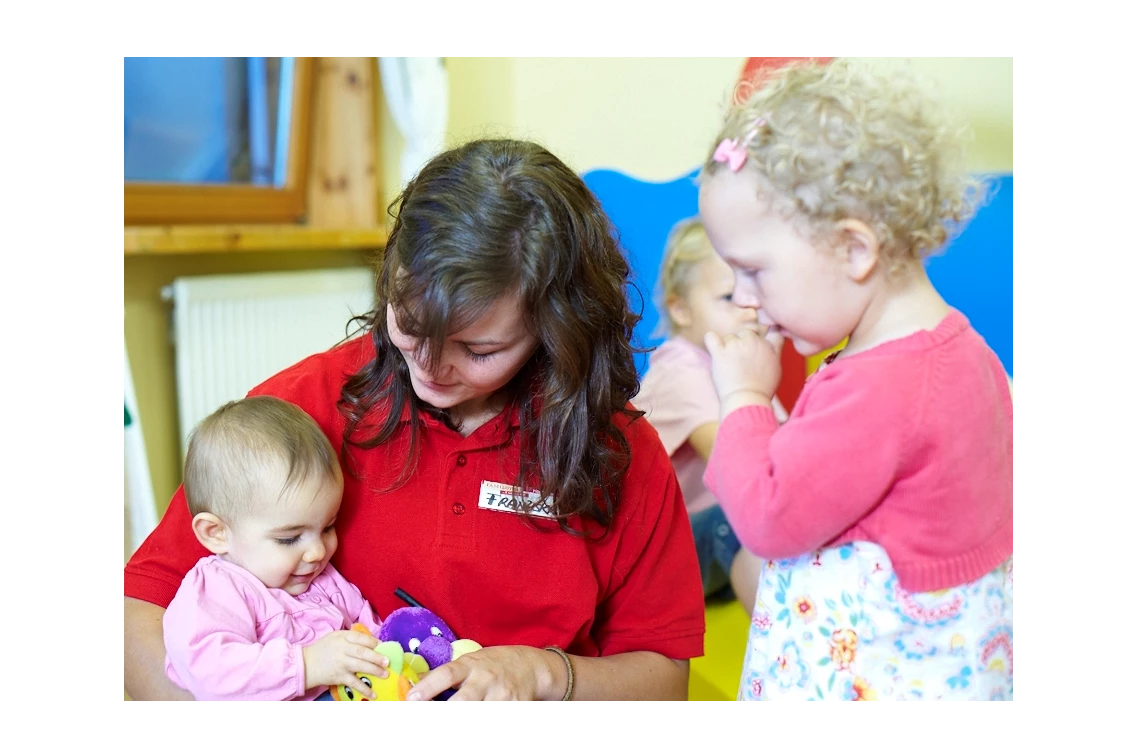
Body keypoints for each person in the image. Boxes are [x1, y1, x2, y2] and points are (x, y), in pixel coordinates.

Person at [124, 137, 706, 702]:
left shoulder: (619, 453)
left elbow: (661, 678)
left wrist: (544, 675)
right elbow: (141, 608)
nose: (428, 369)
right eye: (408, 323)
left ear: (557, 330)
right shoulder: (303, 410)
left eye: (477, 350)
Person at [697, 59, 1013, 701]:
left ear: (854, 250)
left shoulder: (880, 387)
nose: (742, 297)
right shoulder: (961, 350)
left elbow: (764, 517)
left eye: (753, 270)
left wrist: (744, 397)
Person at [161, 396, 388, 700]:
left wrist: (389, 652)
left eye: (327, 527)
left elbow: (369, 631)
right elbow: (211, 675)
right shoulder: (214, 591)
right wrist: (307, 665)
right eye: (289, 538)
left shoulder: (322, 577)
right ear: (216, 533)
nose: (317, 551)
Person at [632, 216, 786, 617]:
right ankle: (781, 638)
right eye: (729, 296)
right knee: (746, 517)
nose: (751, 308)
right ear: (681, 310)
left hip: (706, 551)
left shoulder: (740, 362)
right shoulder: (682, 371)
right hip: (659, 564)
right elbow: (747, 471)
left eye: (757, 290)